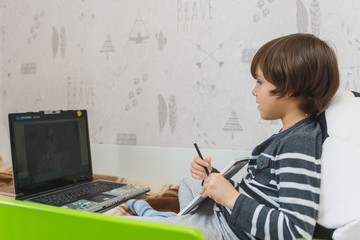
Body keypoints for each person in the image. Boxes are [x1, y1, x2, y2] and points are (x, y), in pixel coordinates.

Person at [126, 33, 340, 240]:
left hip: (229, 232)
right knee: (191, 181)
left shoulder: (298, 143)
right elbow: (260, 194)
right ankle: (172, 220)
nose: (254, 92)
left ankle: (160, 219)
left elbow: (295, 230)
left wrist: (230, 197)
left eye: (260, 82)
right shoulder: (290, 134)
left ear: (289, 89)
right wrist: (214, 176)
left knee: (135, 232)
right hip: (227, 218)